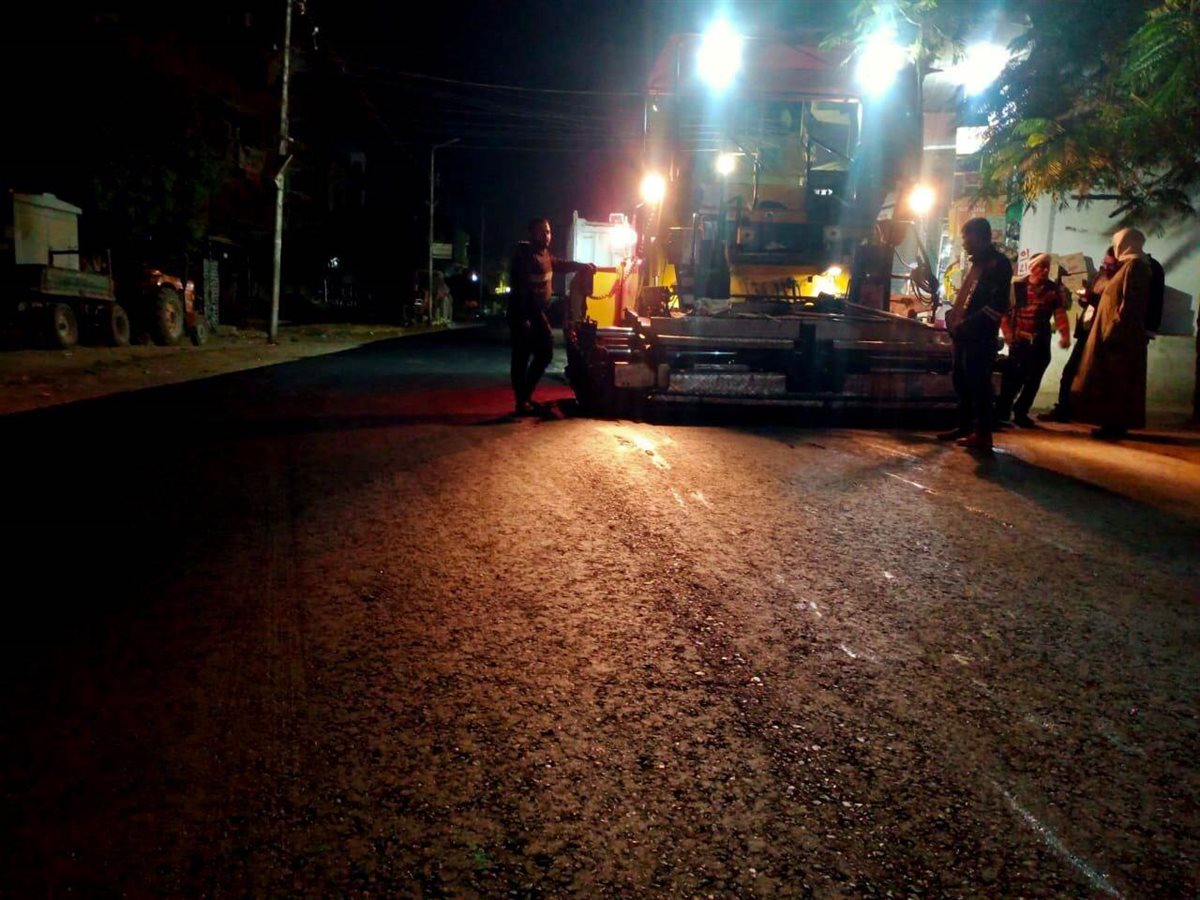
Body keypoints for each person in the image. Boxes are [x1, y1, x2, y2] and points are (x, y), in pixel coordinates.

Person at [938, 217, 1012, 453]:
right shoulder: (977, 265)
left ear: (980, 237)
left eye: (966, 238)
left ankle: (982, 434)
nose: (964, 243)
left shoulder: (998, 265)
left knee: (979, 383)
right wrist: (954, 319)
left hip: (979, 336)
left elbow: (997, 304)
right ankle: (965, 426)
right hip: (964, 335)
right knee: (961, 380)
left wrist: (968, 324)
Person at [507, 217, 595, 415]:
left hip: (537, 313)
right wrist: (525, 318)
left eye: (548, 231)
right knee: (522, 356)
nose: (546, 236)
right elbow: (520, 289)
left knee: (544, 353)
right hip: (523, 314)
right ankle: (521, 401)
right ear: (532, 233)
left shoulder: (545, 255)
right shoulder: (525, 256)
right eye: (541, 232)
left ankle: (524, 397)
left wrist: (582, 266)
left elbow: (561, 265)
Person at [1070, 227, 1151, 439]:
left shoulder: (1135, 267)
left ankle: (1115, 425)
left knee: (1118, 380)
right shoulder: (1127, 266)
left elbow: (1130, 303)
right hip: (1110, 331)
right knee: (1108, 379)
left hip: (1119, 336)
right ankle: (1109, 423)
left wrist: (1114, 328)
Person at [1039, 246, 1119, 423]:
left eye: (1110, 264)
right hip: (1086, 330)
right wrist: (1085, 299)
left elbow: (1109, 305)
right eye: (1104, 263)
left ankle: (1080, 411)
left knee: (1092, 374)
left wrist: (1091, 298)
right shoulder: (1100, 276)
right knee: (1070, 371)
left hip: (1100, 333)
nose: (1106, 267)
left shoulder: (1118, 281)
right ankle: (1063, 408)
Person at [996, 252, 1070, 427]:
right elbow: (1004, 313)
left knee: (1034, 378)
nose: (1045, 270)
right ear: (1032, 268)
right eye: (1041, 267)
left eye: (1047, 267)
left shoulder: (1052, 289)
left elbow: (1059, 313)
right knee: (1014, 377)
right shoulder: (1018, 287)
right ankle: (1002, 412)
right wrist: (1008, 333)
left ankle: (1021, 412)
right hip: (1020, 339)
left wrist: (1065, 334)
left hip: (1041, 340)